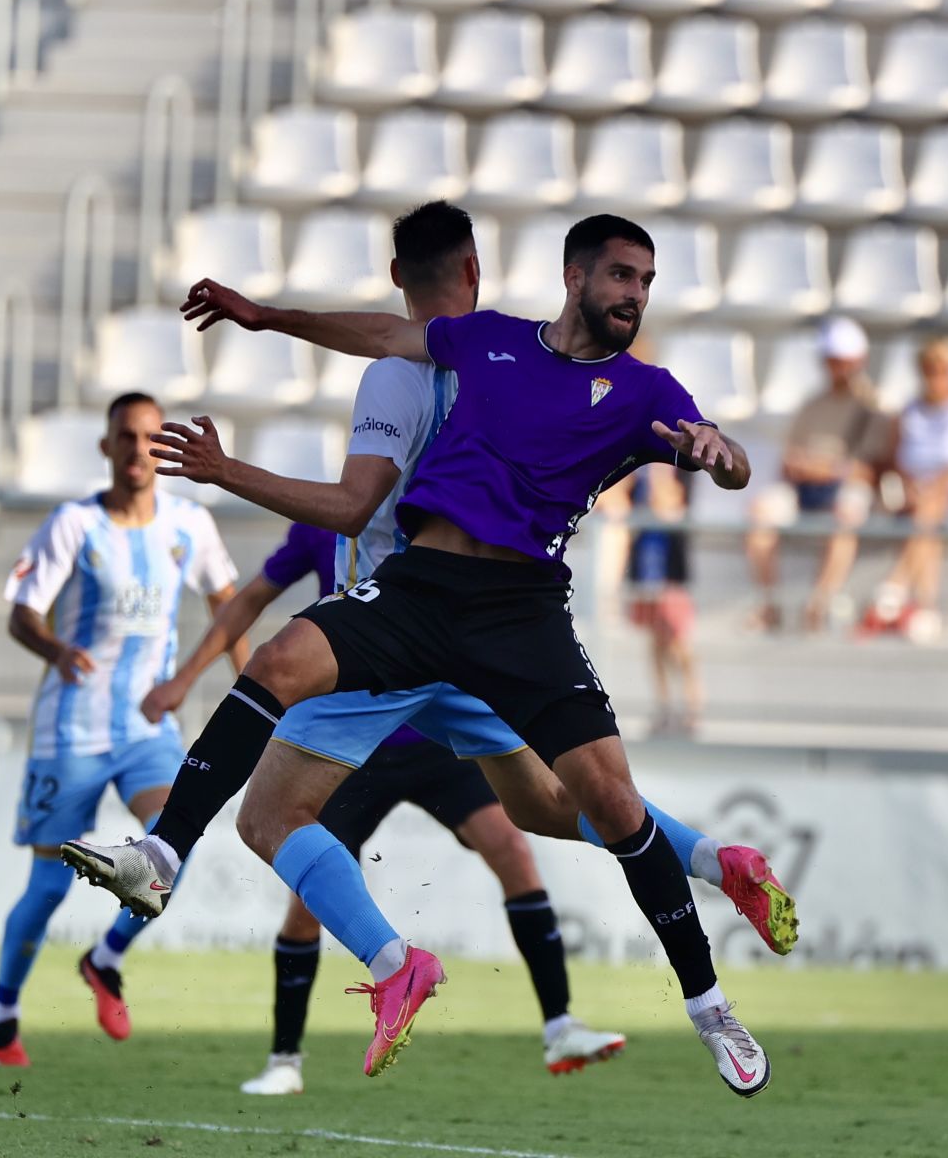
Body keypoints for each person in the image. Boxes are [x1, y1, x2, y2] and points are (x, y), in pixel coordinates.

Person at [65, 211, 780, 1098]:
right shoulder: (485, 343)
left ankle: (710, 1007)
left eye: (645, 281)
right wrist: (266, 319)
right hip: (421, 589)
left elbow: (729, 458)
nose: (634, 294)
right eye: (621, 277)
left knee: (605, 803)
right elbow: (381, 332)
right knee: (282, 659)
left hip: (521, 612)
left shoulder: (646, 391)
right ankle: (163, 856)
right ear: (575, 277)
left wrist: (722, 456)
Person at [209, 520, 627, 1093]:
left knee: (512, 849)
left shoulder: (440, 512)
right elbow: (250, 599)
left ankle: (560, 1024)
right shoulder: (326, 517)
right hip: (355, 743)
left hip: (437, 737)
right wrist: (248, 692)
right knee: (307, 899)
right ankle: (285, 1060)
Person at [0, 391, 249, 1067]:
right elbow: (22, 614)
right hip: (70, 728)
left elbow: (233, 609)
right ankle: (2, 1015)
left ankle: (105, 959)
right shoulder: (74, 524)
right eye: (125, 437)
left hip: (145, 728)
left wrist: (257, 691)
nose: (137, 450)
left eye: (150, 438)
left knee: (171, 845)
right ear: (106, 447)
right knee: (45, 888)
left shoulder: (189, 525)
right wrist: (54, 650)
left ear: (164, 448)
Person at [743, 319, 889, 633]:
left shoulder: (871, 408)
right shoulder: (812, 405)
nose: (837, 368)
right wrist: (822, 467)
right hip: (806, 488)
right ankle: (770, 604)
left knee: (846, 516)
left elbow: (866, 469)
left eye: (843, 361)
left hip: (844, 491)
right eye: (832, 360)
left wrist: (819, 467)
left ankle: (818, 605)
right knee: (760, 511)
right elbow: (790, 461)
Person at [861, 336, 948, 644]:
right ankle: (926, 609)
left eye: (944, 370)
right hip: (917, 495)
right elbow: (896, 460)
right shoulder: (908, 411)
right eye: (931, 370)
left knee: (929, 510)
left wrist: (936, 484)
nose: (938, 377)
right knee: (927, 529)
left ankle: (892, 589)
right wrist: (912, 485)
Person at [605, 463, 701, 735]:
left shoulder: (677, 470)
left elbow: (668, 501)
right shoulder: (638, 472)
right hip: (646, 574)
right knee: (656, 645)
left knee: (679, 644)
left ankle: (692, 707)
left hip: (670, 578)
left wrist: (655, 470)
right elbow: (616, 500)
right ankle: (665, 706)